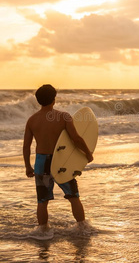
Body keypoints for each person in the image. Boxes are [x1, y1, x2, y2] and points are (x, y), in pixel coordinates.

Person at [23, 84, 93, 240]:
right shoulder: (63, 117)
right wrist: (87, 153)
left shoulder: (32, 120)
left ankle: (42, 232)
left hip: (41, 162)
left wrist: (28, 166)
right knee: (73, 196)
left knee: (42, 200)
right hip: (61, 161)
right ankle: (82, 228)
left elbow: (26, 146)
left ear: (38, 101)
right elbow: (76, 139)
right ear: (54, 99)